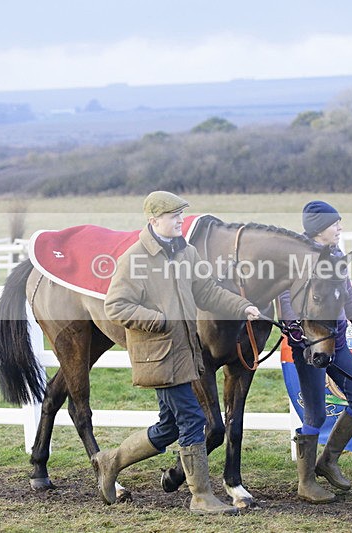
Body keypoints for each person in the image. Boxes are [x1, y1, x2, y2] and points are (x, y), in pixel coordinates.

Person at [99, 190, 261, 515]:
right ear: (154, 220)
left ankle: (110, 460)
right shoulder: (135, 259)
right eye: (175, 217)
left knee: (170, 426)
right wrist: (158, 321)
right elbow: (115, 306)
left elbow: (208, 291)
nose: (181, 221)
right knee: (192, 419)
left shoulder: (186, 253)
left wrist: (242, 306)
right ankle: (201, 496)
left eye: (182, 216)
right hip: (159, 355)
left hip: (184, 354)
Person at [278, 200, 352, 504]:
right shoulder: (296, 258)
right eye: (336, 223)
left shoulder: (337, 255)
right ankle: (306, 482)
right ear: (319, 228)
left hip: (336, 342)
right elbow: (285, 297)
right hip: (309, 346)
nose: (340, 228)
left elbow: (348, 297)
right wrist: (294, 327)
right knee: (317, 413)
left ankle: (328, 461)